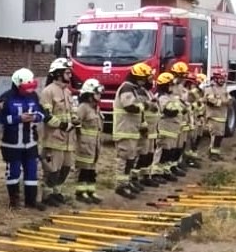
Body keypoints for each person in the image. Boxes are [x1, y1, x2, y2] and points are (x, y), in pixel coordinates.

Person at [0, 68, 46, 210]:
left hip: (30, 142)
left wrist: (35, 117)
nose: (28, 91)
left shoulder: (34, 96)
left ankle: (31, 201)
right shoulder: (6, 97)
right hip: (12, 143)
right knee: (13, 172)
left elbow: (42, 113)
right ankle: (14, 201)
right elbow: (0, 118)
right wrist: (18, 118)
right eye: (26, 88)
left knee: (32, 171)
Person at [112, 63, 152, 198]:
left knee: (130, 159)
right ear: (137, 77)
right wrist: (145, 105)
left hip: (131, 130)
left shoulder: (132, 89)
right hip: (124, 130)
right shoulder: (127, 88)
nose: (145, 81)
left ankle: (126, 182)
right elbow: (130, 107)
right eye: (144, 78)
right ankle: (120, 186)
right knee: (124, 159)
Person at [39, 58, 75, 207]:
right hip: (53, 138)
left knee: (66, 167)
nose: (70, 75)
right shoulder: (48, 91)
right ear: (58, 74)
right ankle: (47, 195)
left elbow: (71, 111)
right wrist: (62, 125)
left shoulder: (67, 92)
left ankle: (57, 192)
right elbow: (46, 115)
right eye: (67, 72)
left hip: (68, 139)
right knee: (52, 169)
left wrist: (75, 119)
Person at [73, 78, 105, 204]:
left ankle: (91, 191)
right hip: (84, 145)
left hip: (94, 145)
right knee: (83, 169)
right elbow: (75, 122)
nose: (100, 95)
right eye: (97, 93)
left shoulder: (95, 108)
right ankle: (80, 193)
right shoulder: (83, 107)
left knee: (91, 170)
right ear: (90, 95)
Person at [154, 72, 185, 178]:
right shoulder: (161, 97)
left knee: (169, 151)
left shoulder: (170, 96)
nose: (172, 87)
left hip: (172, 128)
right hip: (164, 127)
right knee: (162, 151)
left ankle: (165, 170)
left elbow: (181, 109)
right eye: (170, 85)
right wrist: (178, 109)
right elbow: (170, 111)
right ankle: (156, 173)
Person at [203, 67, 231, 160]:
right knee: (216, 136)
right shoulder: (210, 89)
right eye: (220, 78)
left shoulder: (224, 89)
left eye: (223, 78)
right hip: (213, 116)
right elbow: (212, 102)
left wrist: (225, 102)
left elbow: (230, 100)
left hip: (222, 116)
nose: (222, 80)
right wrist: (223, 102)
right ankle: (213, 154)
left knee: (220, 136)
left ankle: (214, 153)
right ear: (215, 78)